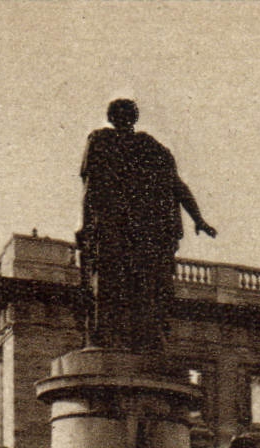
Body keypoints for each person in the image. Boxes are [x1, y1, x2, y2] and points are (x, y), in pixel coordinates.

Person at [79, 98, 217, 350]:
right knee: (130, 284)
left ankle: (119, 337)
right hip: (129, 230)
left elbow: (175, 186)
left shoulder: (123, 144)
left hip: (131, 231)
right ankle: (124, 337)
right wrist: (198, 219)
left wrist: (198, 218)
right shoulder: (145, 147)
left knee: (126, 284)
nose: (122, 119)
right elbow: (93, 187)